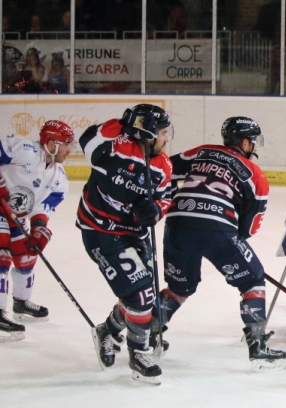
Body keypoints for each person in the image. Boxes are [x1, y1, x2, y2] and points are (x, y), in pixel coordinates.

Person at [153, 117, 286, 372]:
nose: (255, 146)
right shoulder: (254, 173)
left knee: (180, 287)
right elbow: (250, 227)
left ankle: (149, 333)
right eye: (254, 141)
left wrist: (168, 197)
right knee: (253, 281)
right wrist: (228, 241)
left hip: (177, 223)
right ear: (246, 142)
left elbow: (164, 168)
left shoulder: (203, 151)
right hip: (218, 229)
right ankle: (257, 345)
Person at [79, 104, 172, 385]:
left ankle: (106, 331)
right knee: (141, 296)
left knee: (142, 293)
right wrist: (124, 123)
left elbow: (165, 197)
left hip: (133, 234)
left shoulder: (162, 165)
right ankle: (138, 353)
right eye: (163, 132)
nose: (167, 139)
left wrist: (155, 210)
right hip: (101, 230)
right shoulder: (114, 146)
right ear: (146, 132)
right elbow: (88, 140)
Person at [0, 120, 73, 341]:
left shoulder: (59, 177)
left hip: (16, 217)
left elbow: (43, 207)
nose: (70, 150)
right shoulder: (24, 150)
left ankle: (21, 303)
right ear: (51, 143)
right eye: (66, 144)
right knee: (2, 256)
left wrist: (39, 230)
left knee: (26, 256)